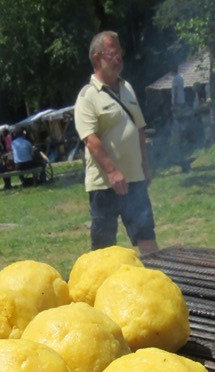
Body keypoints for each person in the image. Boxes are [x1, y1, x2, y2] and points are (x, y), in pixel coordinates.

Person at [74, 30, 157, 254]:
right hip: (104, 185)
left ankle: (153, 285)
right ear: (96, 58)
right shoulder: (87, 96)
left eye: (119, 52)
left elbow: (139, 129)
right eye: (112, 54)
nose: (118, 58)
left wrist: (145, 166)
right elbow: (90, 140)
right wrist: (112, 172)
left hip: (135, 181)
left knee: (147, 237)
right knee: (104, 249)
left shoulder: (127, 88)